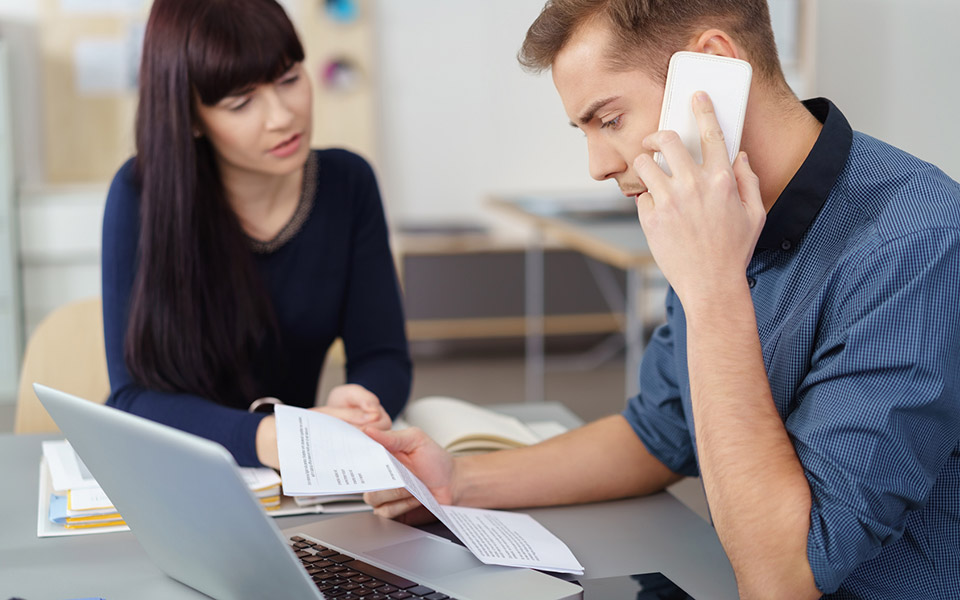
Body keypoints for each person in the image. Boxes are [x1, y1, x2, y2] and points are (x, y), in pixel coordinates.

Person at [364, 1, 960, 598]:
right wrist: (456, 482)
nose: (597, 166)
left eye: (610, 120)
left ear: (713, 68)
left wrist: (713, 289)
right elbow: (662, 430)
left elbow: (785, 576)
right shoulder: (714, 207)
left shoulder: (916, 243)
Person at [101, 0, 411, 470]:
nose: (282, 117)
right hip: (182, 475)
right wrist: (273, 439)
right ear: (190, 117)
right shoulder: (141, 196)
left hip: (297, 485)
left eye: (289, 79)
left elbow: (384, 355)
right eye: (241, 103)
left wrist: (362, 398)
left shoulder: (349, 184)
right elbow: (131, 398)